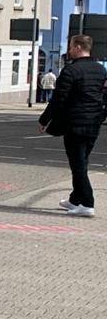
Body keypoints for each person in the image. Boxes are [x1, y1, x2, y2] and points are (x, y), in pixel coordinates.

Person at [40, 35, 106, 217]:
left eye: (70, 47)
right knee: (82, 161)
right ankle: (75, 199)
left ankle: (87, 203)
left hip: (75, 123)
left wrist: (45, 120)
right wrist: (101, 115)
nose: (69, 50)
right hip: (94, 123)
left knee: (78, 165)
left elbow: (58, 100)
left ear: (78, 47)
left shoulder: (71, 71)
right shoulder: (101, 70)